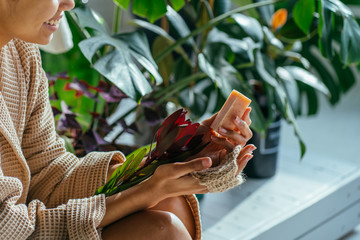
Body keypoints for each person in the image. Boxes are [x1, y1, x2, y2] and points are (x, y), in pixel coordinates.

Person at [0, 0, 256, 239]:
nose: (70, 3)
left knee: (169, 203)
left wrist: (178, 153)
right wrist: (140, 193)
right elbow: (7, 226)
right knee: (162, 229)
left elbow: (46, 173)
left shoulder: (19, 53)